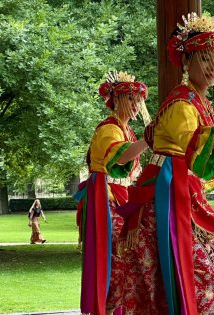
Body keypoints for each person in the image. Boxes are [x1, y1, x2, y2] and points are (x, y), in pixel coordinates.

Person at [118, 13, 214, 315]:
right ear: (187, 61)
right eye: (205, 59)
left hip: (182, 194)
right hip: (164, 201)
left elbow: (202, 150)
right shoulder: (181, 103)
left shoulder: (198, 102)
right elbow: (196, 145)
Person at [74, 71, 150, 315]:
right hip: (106, 200)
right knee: (118, 258)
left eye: (138, 100)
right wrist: (150, 139)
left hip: (122, 198)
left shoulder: (126, 131)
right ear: (116, 99)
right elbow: (121, 156)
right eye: (130, 99)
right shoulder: (109, 129)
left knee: (129, 256)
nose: (136, 105)